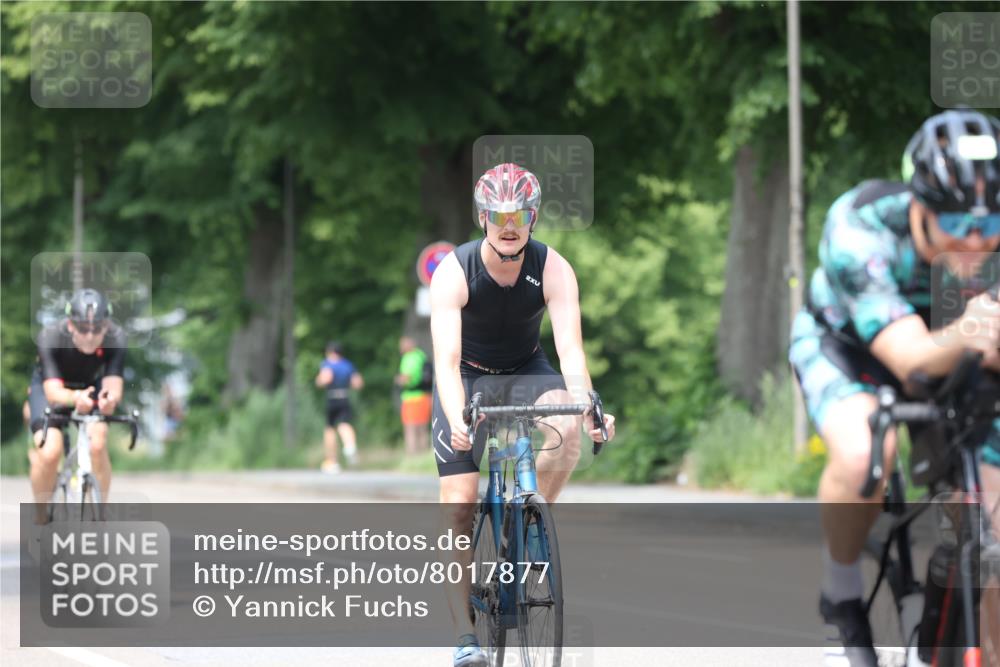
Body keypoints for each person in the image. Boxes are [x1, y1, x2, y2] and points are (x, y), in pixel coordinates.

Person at [789, 109, 1000, 667]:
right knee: (867, 454)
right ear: (919, 206)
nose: (974, 241)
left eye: (988, 224)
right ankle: (841, 595)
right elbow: (911, 362)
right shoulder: (860, 227)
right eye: (955, 223)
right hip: (852, 348)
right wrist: (976, 329)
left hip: (962, 345)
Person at [430, 162, 616, 666]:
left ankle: (532, 525)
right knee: (460, 502)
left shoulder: (554, 267)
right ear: (483, 217)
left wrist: (587, 405)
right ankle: (465, 635)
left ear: (533, 217)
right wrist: (459, 416)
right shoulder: (454, 271)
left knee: (567, 429)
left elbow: (571, 352)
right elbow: (445, 361)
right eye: (499, 215)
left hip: (526, 369)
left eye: (519, 215)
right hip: (467, 376)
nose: (508, 226)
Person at [27, 288, 125, 524]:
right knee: (50, 451)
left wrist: (109, 401)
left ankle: (100, 513)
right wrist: (75, 398)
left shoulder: (116, 337)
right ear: (71, 325)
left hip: (90, 387)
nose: (90, 336)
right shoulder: (51, 337)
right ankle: (41, 515)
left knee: (98, 442)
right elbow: (53, 392)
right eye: (83, 328)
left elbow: (113, 386)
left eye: (97, 329)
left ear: (106, 325)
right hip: (50, 388)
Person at [314, 341, 364, 473]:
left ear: (330, 352)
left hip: (332, 398)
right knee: (344, 424)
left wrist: (319, 381)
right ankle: (350, 447)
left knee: (330, 429)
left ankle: (332, 461)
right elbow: (358, 383)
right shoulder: (348, 365)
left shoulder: (328, 364)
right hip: (345, 397)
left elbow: (326, 378)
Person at [395, 335, 432, 455]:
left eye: (402, 344)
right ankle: (423, 453)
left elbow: (406, 377)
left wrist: (398, 380)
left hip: (412, 397)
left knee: (410, 427)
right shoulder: (420, 355)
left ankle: (412, 453)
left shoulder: (409, 358)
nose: (400, 347)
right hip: (424, 396)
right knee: (422, 427)